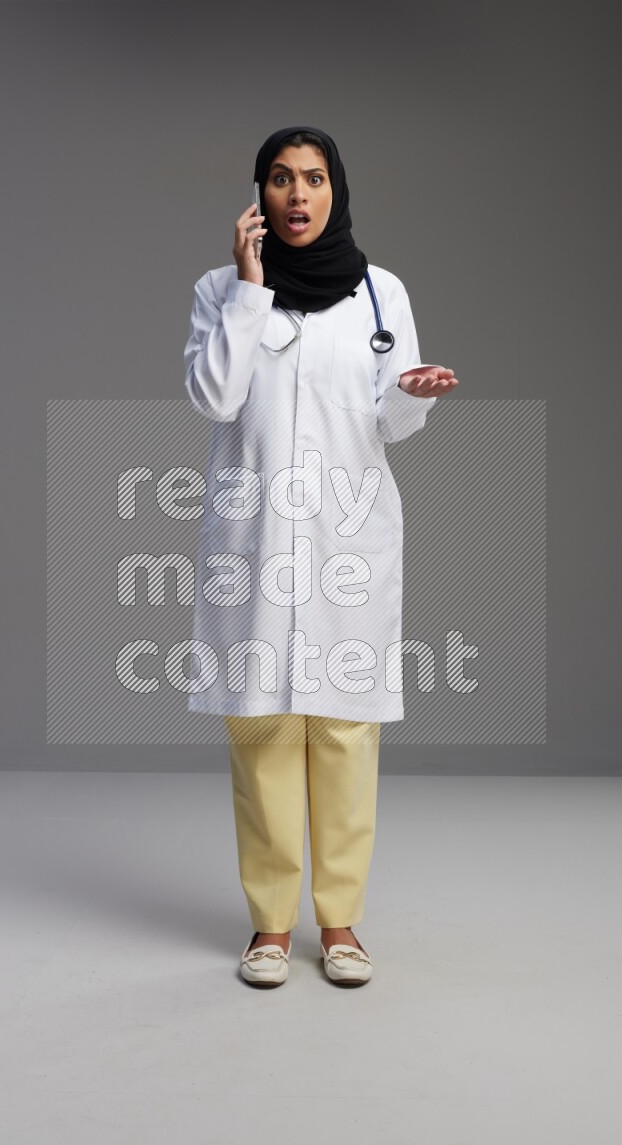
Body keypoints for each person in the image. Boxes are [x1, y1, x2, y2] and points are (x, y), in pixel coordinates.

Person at [183, 126, 459, 987]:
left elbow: (387, 419)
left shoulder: (383, 295)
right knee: (262, 730)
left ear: (336, 189)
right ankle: (269, 927)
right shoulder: (221, 290)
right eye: (279, 180)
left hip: (347, 540)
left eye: (311, 178)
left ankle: (338, 924)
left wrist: (412, 397)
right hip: (256, 538)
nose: (296, 195)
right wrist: (252, 296)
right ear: (257, 196)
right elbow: (212, 394)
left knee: (344, 732)